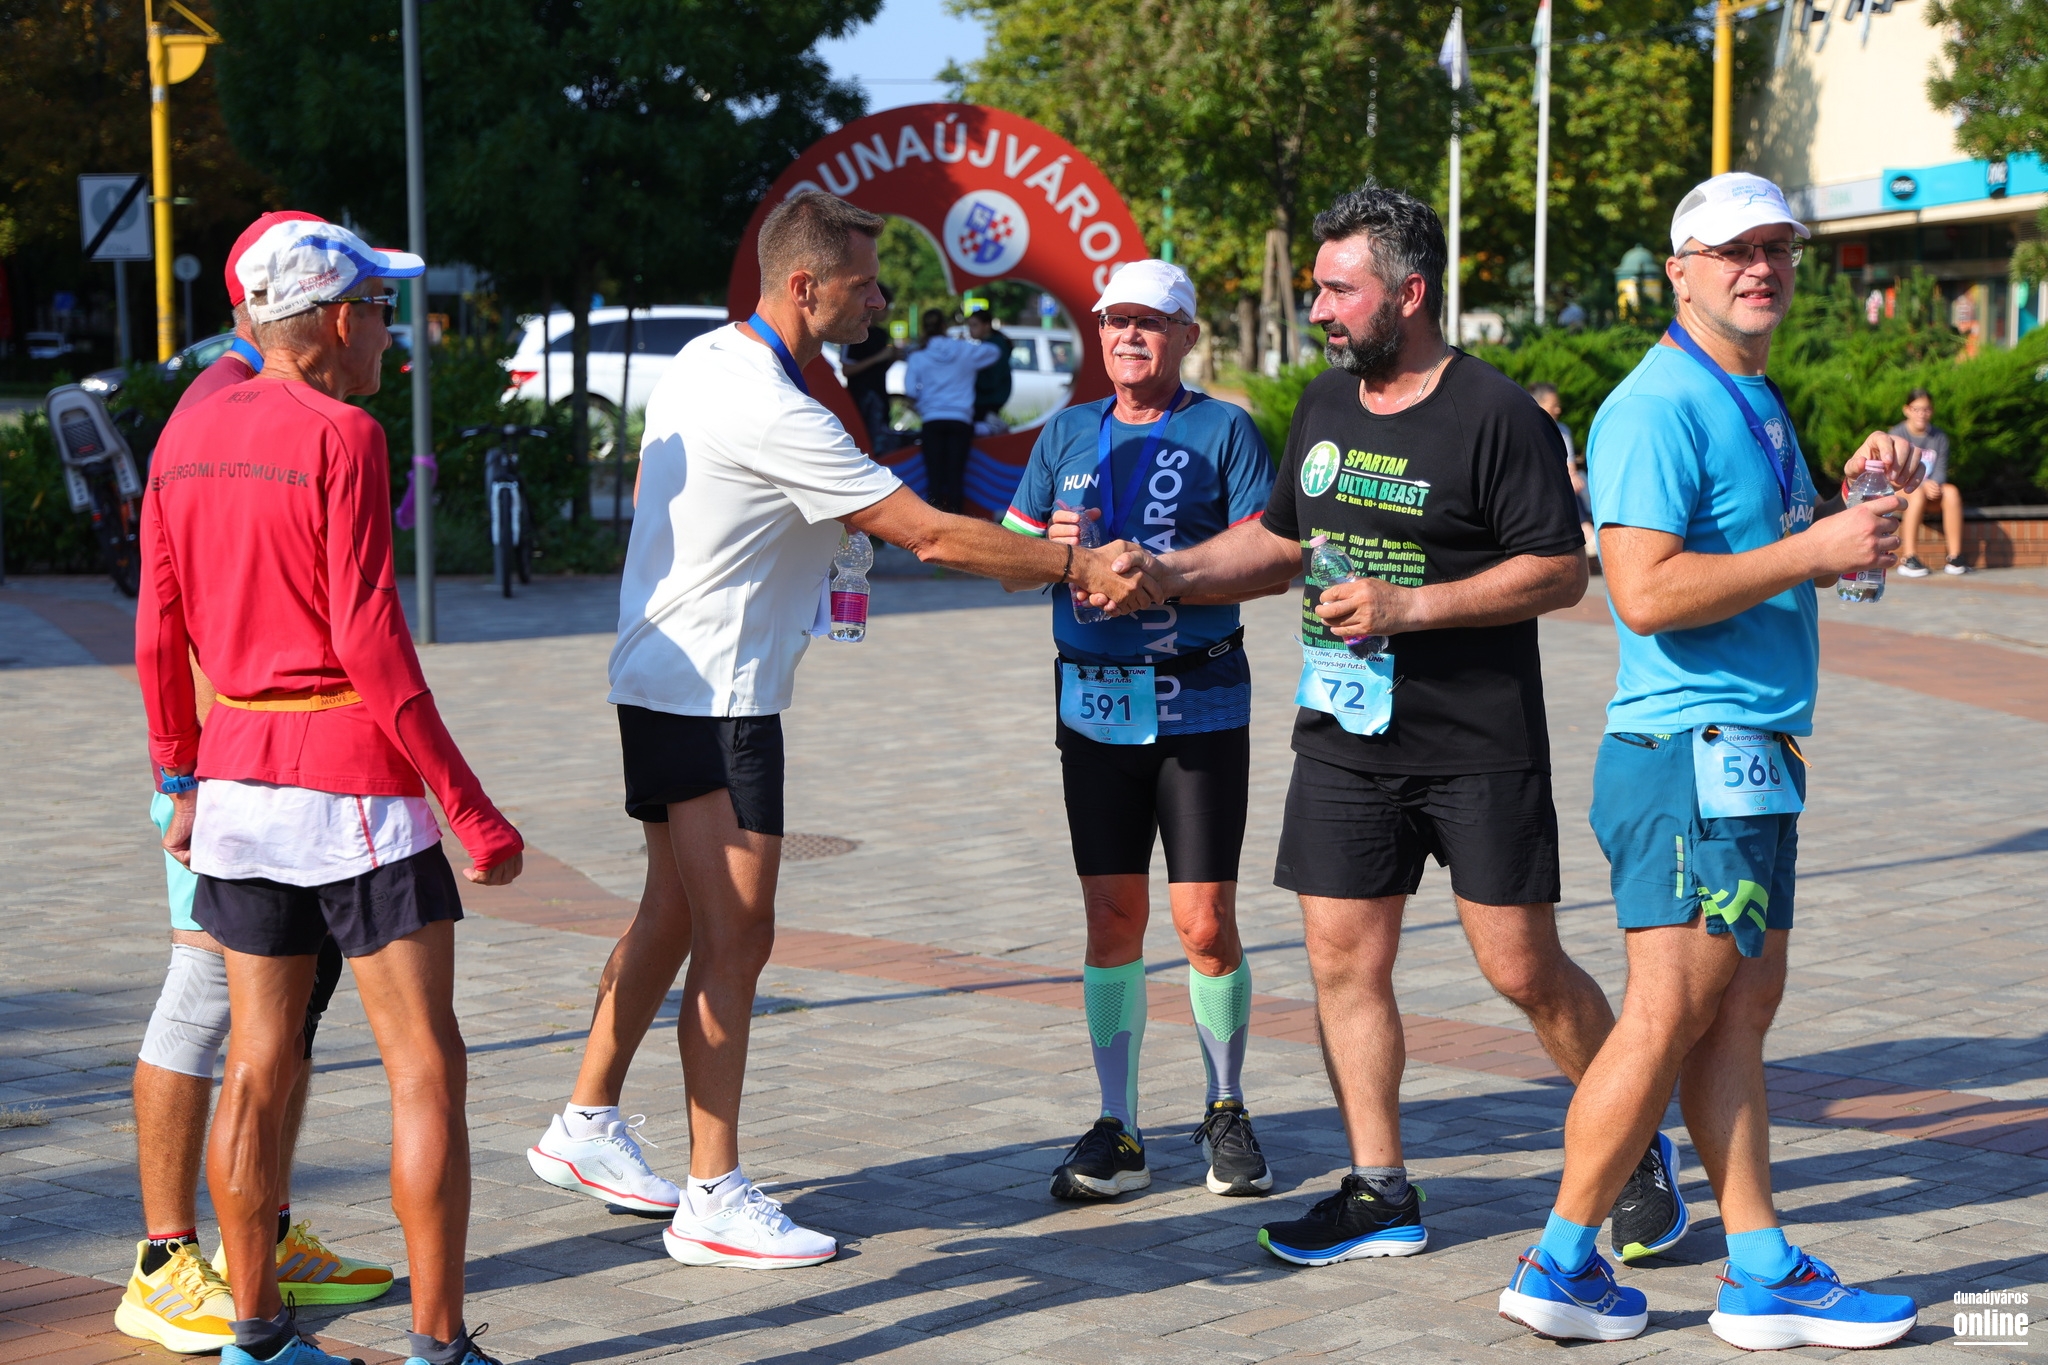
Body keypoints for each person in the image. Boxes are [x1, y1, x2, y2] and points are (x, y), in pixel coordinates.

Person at [526, 190, 1160, 1269]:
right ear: (804, 284)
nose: (880, 303)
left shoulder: (706, 360)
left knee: (672, 913)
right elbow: (927, 535)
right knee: (737, 937)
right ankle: (712, 1194)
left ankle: (585, 1121)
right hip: (719, 698)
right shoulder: (778, 409)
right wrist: (1077, 563)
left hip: (660, 677)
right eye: (864, 285)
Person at [1115, 183, 1681, 1270]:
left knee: (1521, 968)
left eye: (1340, 289)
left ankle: (1633, 1139)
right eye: (1318, 288)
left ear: (1408, 293)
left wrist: (1411, 608)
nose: (1321, 309)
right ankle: (1379, 1190)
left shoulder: (1498, 413)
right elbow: (1281, 541)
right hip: (1343, 735)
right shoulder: (1325, 407)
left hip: (1476, 743)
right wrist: (1171, 572)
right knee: (1341, 962)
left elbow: (1560, 569)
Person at [1494, 172, 1920, 1349]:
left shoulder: (1748, 394)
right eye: (1733, 250)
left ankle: (1761, 1269)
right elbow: (1640, 591)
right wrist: (1812, 551)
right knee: (1668, 1010)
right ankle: (1559, 1262)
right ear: (1677, 270)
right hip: (1687, 752)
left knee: (1738, 1011)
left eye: (1776, 248)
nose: (1759, 267)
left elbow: (1777, 556)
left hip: (1750, 751)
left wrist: (1851, 515)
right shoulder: (1653, 404)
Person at [139, 218, 526, 1365]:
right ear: (338, 319)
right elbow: (368, 637)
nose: (391, 340)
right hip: (348, 781)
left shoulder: (185, 434)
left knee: (256, 1066)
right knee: (424, 1069)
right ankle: (437, 1347)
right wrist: (468, 806)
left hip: (234, 781)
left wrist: (179, 776)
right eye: (382, 315)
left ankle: (258, 1338)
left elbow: (158, 626)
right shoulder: (343, 433)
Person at [118, 212, 394, 1357]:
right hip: (225, 763)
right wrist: (179, 774)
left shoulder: (276, 400)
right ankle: (164, 1258)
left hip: (262, 762)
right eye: (370, 304)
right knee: (205, 1000)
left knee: (284, 1013)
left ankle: (259, 1236)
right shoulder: (217, 409)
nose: (383, 325)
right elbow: (165, 613)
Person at [996, 260, 1278, 1202]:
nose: (1128, 337)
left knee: (1205, 922)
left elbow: (1271, 559)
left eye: (1150, 323)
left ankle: (1225, 1106)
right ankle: (1118, 1124)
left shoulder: (1224, 429)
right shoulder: (1067, 432)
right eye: (1115, 321)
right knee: (1112, 917)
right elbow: (1012, 556)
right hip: (1093, 705)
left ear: (1187, 335)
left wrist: (1165, 574)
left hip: (1199, 702)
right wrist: (1057, 556)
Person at [903, 307, 1001, 512]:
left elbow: (910, 390)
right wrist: (970, 340)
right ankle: (957, 523)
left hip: (932, 419)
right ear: (944, 326)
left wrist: (924, 402)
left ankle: (933, 525)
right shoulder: (964, 350)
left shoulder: (918, 356)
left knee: (934, 478)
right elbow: (994, 352)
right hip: (960, 419)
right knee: (956, 476)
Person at [1894, 388, 1965, 576]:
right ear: (1906, 410)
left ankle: (1955, 557)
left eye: (1926, 409)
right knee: (1916, 493)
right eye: (1916, 409)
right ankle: (1908, 558)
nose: (1921, 414)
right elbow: (1895, 473)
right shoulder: (1897, 434)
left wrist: (1934, 484)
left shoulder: (1939, 437)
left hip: (1930, 491)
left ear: (1931, 411)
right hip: (1903, 490)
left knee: (1951, 492)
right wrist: (1922, 484)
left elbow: (1941, 469)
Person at [1529, 382, 1595, 564]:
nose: (1558, 409)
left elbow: (1570, 463)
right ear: (1539, 404)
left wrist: (1572, 476)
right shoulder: (1528, 428)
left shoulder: (1563, 430)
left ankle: (1587, 531)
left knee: (1575, 484)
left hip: (1561, 480)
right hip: (1541, 481)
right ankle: (1587, 531)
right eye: (1553, 405)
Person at [840, 282, 899, 455]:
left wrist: (892, 358)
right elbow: (847, 370)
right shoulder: (853, 332)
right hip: (861, 398)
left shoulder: (881, 334)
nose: (886, 312)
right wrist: (877, 358)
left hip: (880, 395)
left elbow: (879, 369)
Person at [967, 306, 1015, 427]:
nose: (970, 330)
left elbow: (991, 379)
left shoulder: (994, 347)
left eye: (975, 325)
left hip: (988, 399)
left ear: (987, 325)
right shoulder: (992, 344)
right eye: (969, 325)